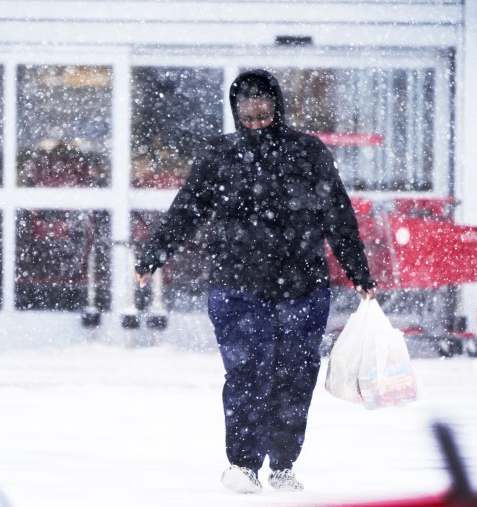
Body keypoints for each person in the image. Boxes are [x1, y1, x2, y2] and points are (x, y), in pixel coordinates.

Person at [134, 69, 376, 493]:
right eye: (246, 102)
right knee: (247, 372)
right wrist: (153, 255)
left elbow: (338, 215)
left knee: (295, 374)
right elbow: (186, 210)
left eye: (263, 101)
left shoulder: (308, 152)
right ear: (235, 108)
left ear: (277, 103)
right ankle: (243, 465)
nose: (256, 110)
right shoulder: (219, 154)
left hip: (303, 287)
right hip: (237, 287)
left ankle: (283, 466)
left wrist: (358, 272)